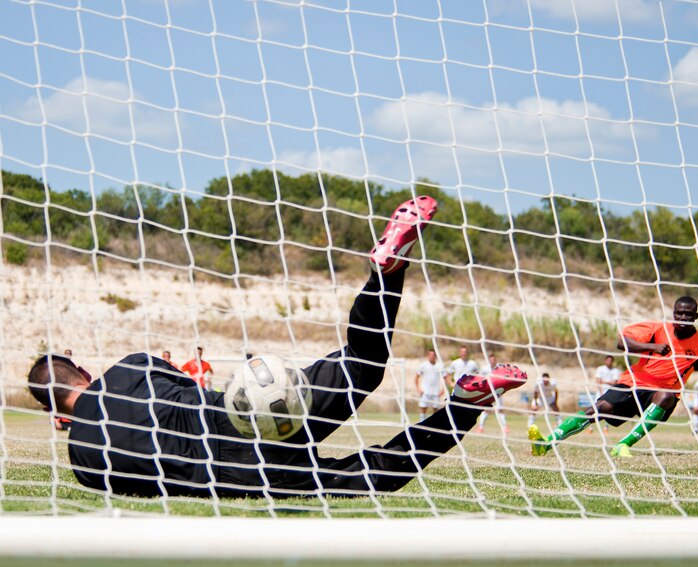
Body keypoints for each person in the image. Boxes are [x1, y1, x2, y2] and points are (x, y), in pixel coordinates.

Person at [26, 196, 527, 498]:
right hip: (252, 413)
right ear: (83, 371)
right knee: (361, 364)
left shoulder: (84, 461)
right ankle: (386, 274)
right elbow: (195, 387)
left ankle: (465, 404)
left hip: (240, 476)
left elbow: (146, 487)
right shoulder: (127, 368)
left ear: (57, 418)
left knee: (371, 474)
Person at [528, 296, 698, 458]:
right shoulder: (657, 329)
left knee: (668, 395)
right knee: (598, 408)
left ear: (696, 317)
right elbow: (621, 342)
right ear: (673, 313)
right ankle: (546, 443)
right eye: (679, 313)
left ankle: (624, 445)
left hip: (660, 394)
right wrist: (651, 349)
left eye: (688, 315)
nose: (682, 318)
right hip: (633, 383)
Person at [476, 354, 509, 434]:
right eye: (491, 360)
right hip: (488, 392)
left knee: (500, 410)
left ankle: (505, 428)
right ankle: (480, 427)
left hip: (498, 392)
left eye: (493, 360)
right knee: (486, 409)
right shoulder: (485, 369)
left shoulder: (500, 368)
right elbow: (481, 379)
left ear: (495, 360)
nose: (492, 361)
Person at [590, 355, 620, 434]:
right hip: (601, 392)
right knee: (595, 408)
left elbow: (614, 383)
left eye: (610, 360)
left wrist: (604, 381)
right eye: (608, 360)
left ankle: (606, 427)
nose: (609, 362)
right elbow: (598, 381)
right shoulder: (600, 369)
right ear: (605, 361)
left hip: (611, 393)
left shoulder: (615, 371)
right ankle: (590, 427)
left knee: (609, 410)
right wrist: (601, 391)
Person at [415, 349, 445, 422]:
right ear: (428, 356)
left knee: (436, 409)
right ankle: (421, 424)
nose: (431, 357)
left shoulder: (440, 365)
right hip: (425, 391)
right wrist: (419, 388)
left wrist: (443, 390)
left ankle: (435, 425)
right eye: (430, 355)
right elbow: (416, 377)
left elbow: (445, 378)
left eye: (433, 355)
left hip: (436, 392)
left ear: (435, 356)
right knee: (423, 408)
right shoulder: (423, 365)